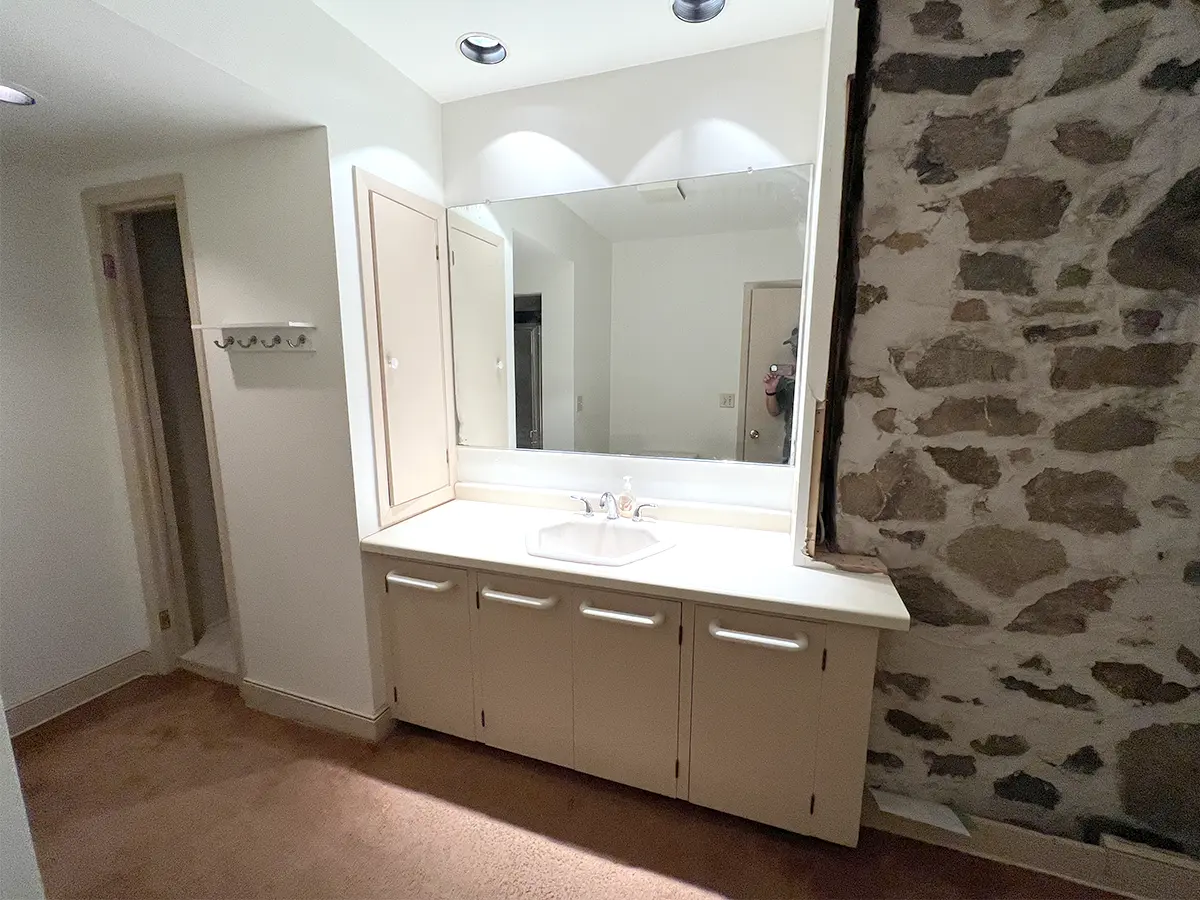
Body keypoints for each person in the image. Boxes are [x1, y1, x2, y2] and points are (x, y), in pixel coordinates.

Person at [763, 326, 799, 464]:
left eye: (797, 347)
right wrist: (770, 390)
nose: (794, 350)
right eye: (793, 346)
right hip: (791, 442)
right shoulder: (786, 380)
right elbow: (774, 411)